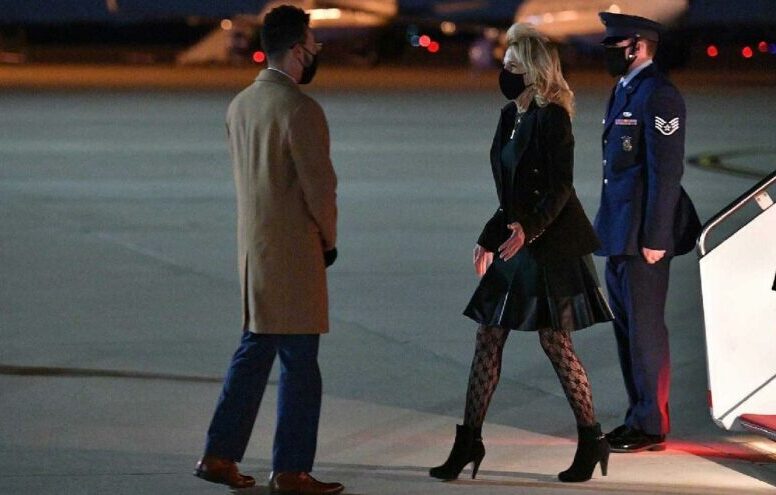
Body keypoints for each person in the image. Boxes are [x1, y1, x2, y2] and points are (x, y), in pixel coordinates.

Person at [429, 23, 614, 484]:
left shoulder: (553, 117)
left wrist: (529, 229)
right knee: (488, 336)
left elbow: (560, 187)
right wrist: (489, 236)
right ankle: (469, 441)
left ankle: (591, 439)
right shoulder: (509, 115)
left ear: (534, 71)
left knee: (555, 342)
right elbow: (509, 192)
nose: (505, 72)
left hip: (550, 245)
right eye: (505, 64)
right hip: (516, 239)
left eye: (514, 65)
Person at [193, 6, 344, 494]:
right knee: (300, 366)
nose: (316, 52)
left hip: (254, 253)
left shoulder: (240, 105)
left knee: (255, 353)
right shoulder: (300, 109)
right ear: (298, 49)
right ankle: (291, 470)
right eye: (313, 44)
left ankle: (219, 454)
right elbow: (320, 189)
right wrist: (329, 239)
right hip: (294, 253)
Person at [594, 12, 701, 454]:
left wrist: (657, 236)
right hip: (619, 231)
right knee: (627, 329)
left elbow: (666, 171)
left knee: (645, 330)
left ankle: (651, 424)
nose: (608, 54)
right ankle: (638, 415)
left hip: (644, 237)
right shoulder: (625, 90)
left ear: (637, 46)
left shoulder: (659, 95)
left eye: (614, 46)